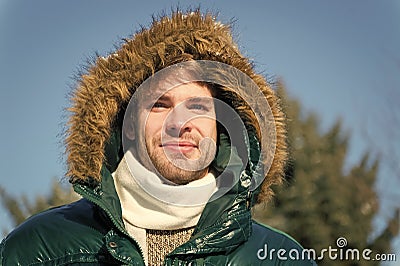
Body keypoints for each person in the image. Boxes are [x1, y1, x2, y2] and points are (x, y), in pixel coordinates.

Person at [0, 10, 316, 265]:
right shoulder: (37, 249)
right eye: (159, 105)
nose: (180, 123)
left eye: (197, 106)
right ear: (128, 127)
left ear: (221, 125)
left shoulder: (281, 258)